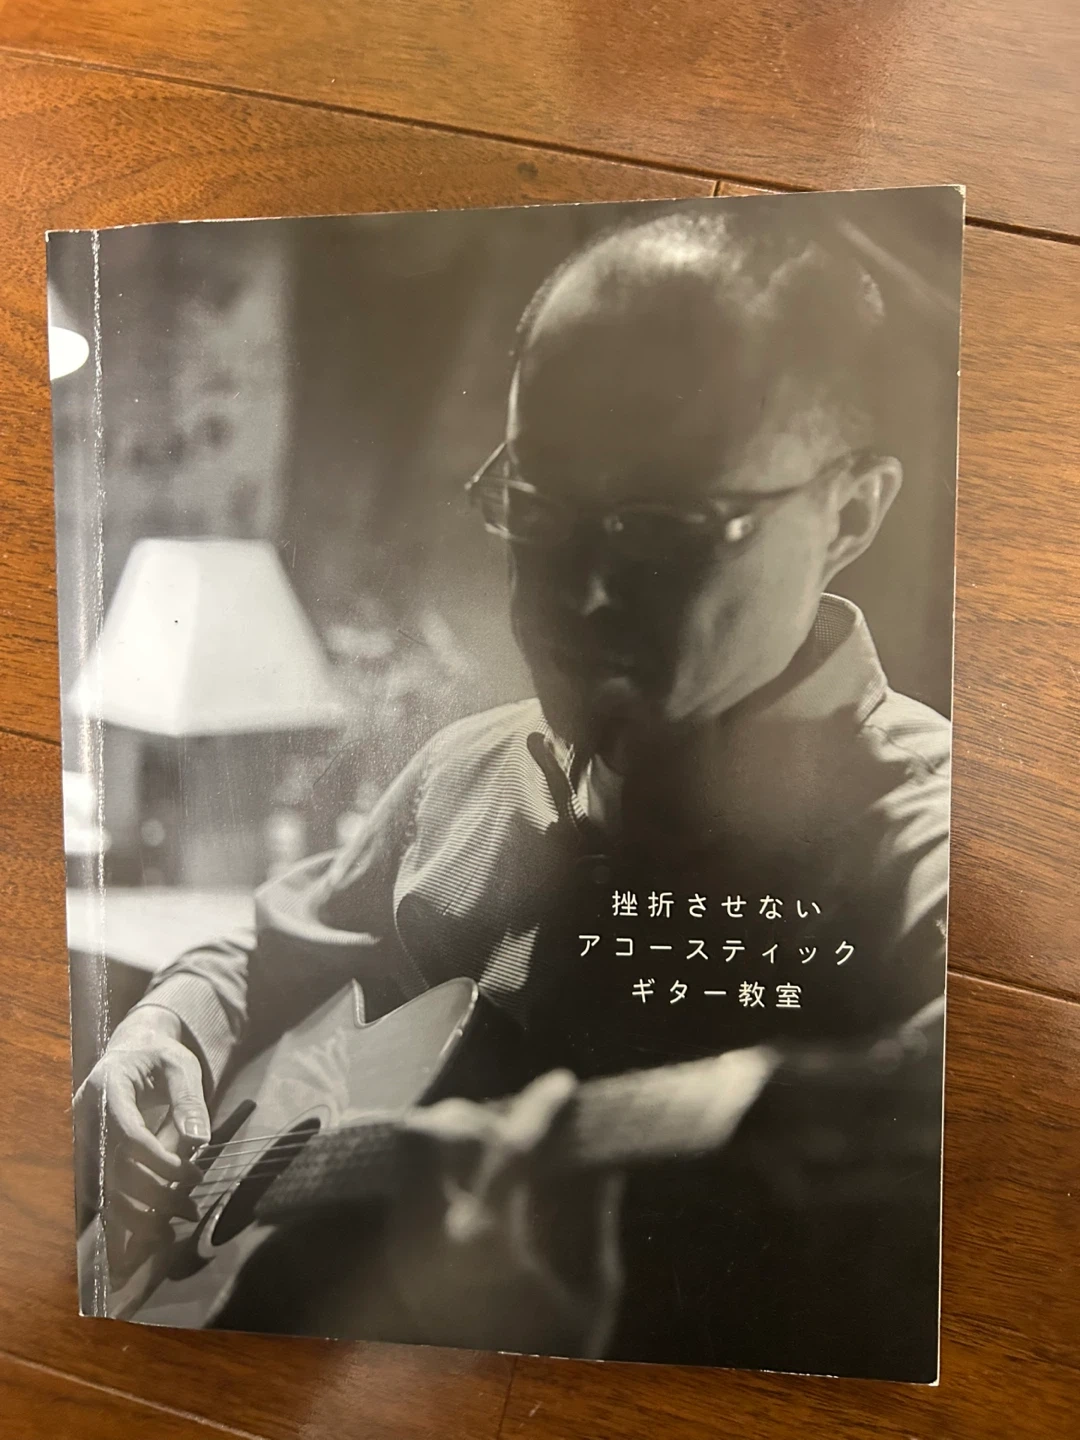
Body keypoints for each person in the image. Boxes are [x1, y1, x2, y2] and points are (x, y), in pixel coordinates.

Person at [76, 206, 951, 1377]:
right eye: (536, 511)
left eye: (664, 532)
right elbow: (261, 958)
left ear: (849, 514)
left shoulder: (935, 845)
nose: (575, 599)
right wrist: (165, 1030)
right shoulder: (468, 767)